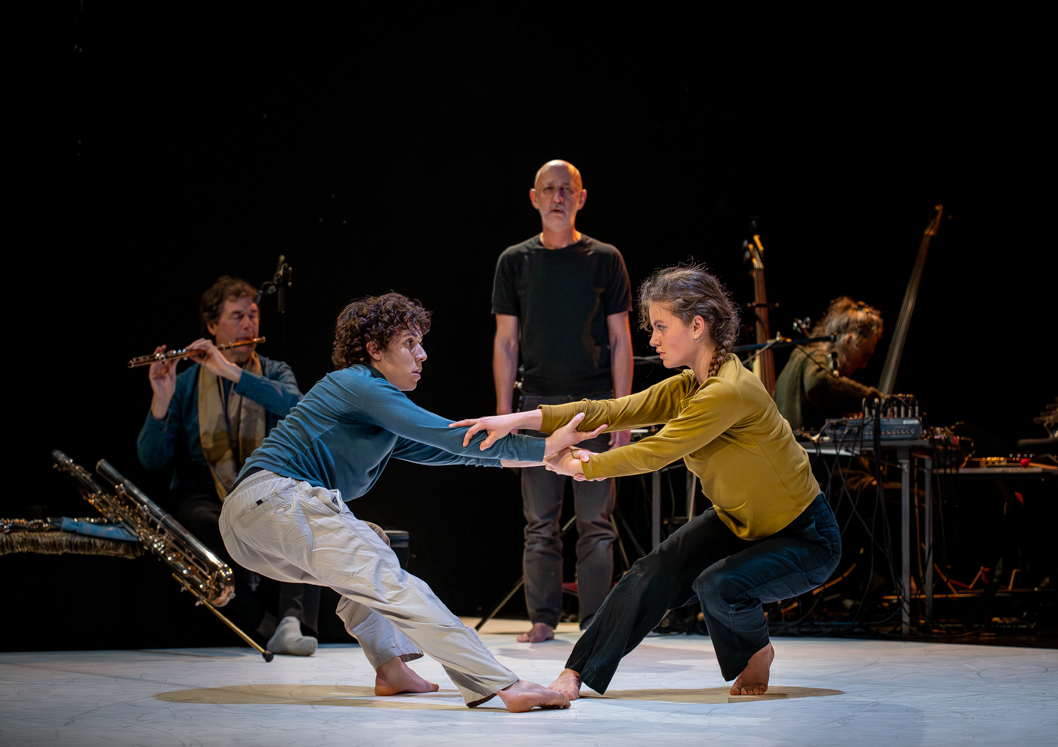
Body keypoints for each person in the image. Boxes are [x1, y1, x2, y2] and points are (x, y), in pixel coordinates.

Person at [455, 264, 841, 698]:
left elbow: (657, 451)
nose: (652, 339)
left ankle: (756, 651)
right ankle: (578, 671)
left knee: (718, 585)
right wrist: (516, 419)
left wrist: (583, 465)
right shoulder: (689, 385)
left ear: (697, 326)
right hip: (740, 523)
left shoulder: (729, 390)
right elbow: (609, 410)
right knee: (649, 572)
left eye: (660, 326)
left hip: (804, 537)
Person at [218, 293, 604, 711]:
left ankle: (391, 670)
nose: (422, 354)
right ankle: (500, 684)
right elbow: (451, 435)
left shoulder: (374, 412)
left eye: (420, 343)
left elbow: (456, 452)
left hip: (252, 525)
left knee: (373, 546)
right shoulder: (359, 384)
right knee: (388, 577)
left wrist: (547, 456)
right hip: (273, 502)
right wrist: (549, 443)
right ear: (374, 350)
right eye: (408, 343)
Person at [137, 276, 320, 656]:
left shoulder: (273, 371)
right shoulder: (185, 383)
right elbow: (151, 458)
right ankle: (260, 623)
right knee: (197, 519)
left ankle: (291, 621)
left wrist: (233, 373)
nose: (249, 325)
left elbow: (297, 407)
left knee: (305, 508)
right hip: (207, 495)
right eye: (237, 316)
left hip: (267, 487)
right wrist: (161, 399)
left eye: (253, 315)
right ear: (212, 327)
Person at [491, 159, 633, 643]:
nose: (557, 197)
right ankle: (543, 619)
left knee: (596, 519)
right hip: (537, 404)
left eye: (566, 190)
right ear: (534, 198)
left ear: (581, 197)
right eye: (548, 189)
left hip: (594, 406)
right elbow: (506, 343)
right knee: (540, 522)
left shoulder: (605, 258)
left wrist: (625, 410)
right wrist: (506, 417)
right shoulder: (515, 261)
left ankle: (594, 622)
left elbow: (620, 340)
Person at [773, 297, 884, 432]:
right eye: (865, 355)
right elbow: (817, 382)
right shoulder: (814, 356)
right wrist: (873, 398)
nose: (864, 364)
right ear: (849, 340)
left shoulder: (800, 356)